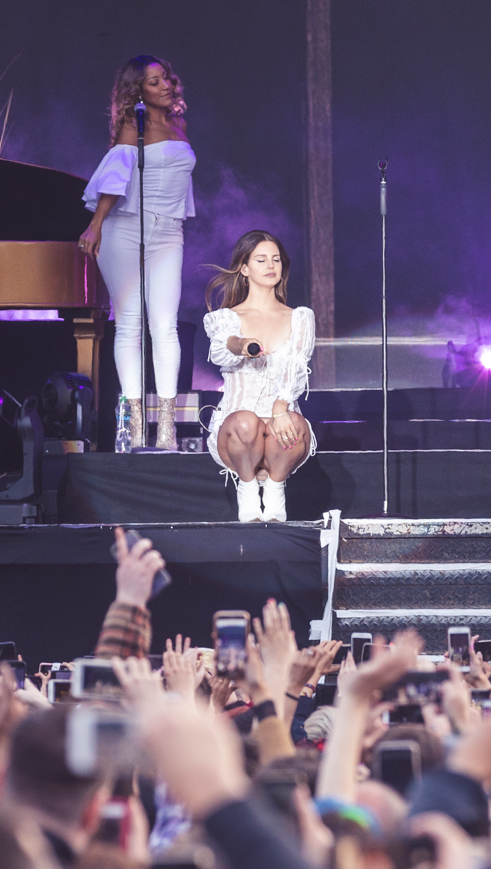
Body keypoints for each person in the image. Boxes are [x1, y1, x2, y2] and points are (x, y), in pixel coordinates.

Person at [79, 55, 195, 450]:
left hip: (169, 231)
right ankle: (129, 426)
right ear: (137, 90)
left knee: (166, 324)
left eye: (166, 78)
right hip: (125, 228)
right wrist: (95, 225)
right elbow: (116, 178)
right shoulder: (135, 125)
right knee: (129, 322)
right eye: (154, 81)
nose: (165, 85)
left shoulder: (177, 123)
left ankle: (166, 425)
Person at [202, 231, 316, 523]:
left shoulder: (300, 317)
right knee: (246, 421)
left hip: (281, 434)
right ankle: (248, 489)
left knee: (292, 421)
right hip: (238, 436)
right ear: (244, 268)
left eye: (276, 259)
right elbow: (221, 349)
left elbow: (297, 366)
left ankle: (276, 489)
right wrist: (241, 345)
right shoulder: (226, 318)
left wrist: (281, 408)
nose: (270, 266)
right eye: (261, 259)